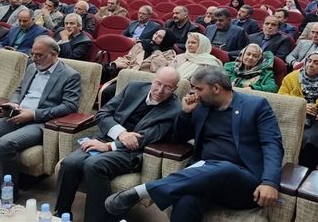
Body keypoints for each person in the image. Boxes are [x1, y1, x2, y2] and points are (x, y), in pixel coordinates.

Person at [105, 66, 283, 221]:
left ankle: (144, 191)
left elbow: (272, 145)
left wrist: (270, 182)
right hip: (202, 177)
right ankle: (150, 191)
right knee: (185, 202)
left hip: (242, 181)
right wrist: (185, 114)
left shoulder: (256, 105)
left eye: (198, 88)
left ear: (216, 88)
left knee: (225, 167)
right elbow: (178, 140)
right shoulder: (200, 107)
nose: (193, 93)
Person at [0, 36, 81, 204]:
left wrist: (33, 114)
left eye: (39, 55)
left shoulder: (69, 75)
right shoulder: (31, 67)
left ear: (53, 54)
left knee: (5, 144)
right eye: (33, 54)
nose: (34, 58)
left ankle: (9, 191)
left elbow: (70, 106)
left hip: (40, 122)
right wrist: (14, 103)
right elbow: (19, 89)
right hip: (16, 115)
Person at [55, 67, 182, 222]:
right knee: (70, 163)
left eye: (168, 87)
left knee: (94, 164)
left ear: (175, 89)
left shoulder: (175, 109)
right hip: (106, 137)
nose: (160, 90)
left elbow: (146, 138)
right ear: (153, 80)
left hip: (132, 152)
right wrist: (121, 134)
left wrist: (109, 146)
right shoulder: (134, 87)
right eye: (158, 83)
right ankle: (61, 214)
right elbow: (102, 113)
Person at [279, 50, 318, 170]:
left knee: (312, 139)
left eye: (316, 63)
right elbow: (281, 99)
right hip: (293, 116)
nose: (310, 65)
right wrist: (301, 106)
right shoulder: (291, 78)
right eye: (309, 61)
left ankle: (305, 173)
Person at [99, 29, 176, 105]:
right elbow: (128, 59)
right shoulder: (142, 45)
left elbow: (157, 69)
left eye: (160, 37)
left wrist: (156, 51)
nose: (155, 37)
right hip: (128, 76)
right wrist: (115, 64)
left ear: (166, 40)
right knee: (107, 92)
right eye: (156, 34)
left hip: (145, 82)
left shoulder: (170, 53)